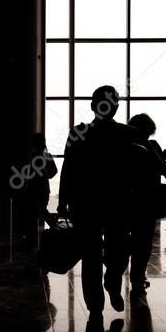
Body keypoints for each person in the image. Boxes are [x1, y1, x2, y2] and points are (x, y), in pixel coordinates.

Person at [58, 85, 137, 317]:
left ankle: (96, 303)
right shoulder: (127, 134)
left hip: (87, 203)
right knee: (117, 249)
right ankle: (110, 285)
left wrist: (64, 201)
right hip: (116, 202)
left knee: (91, 255)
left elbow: (68, 169)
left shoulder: (79, 133)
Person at [127, 114, 166, 305]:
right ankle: (137, 278)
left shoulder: (124, 147)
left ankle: (120, 274)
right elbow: (163, 170)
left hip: (127, 200)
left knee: (126, 240)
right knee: (143, 243)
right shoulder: (153, 147)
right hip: (148, 201)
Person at [28, 133, 58, 228]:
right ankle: (53, 224)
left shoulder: (32, 156)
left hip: (34, 189)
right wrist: (46, 176)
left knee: (35, 211)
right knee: (42, 210)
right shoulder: (48, 156)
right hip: (45, 188)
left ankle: (52, 224)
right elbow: (54, 171)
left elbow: (29, 174)